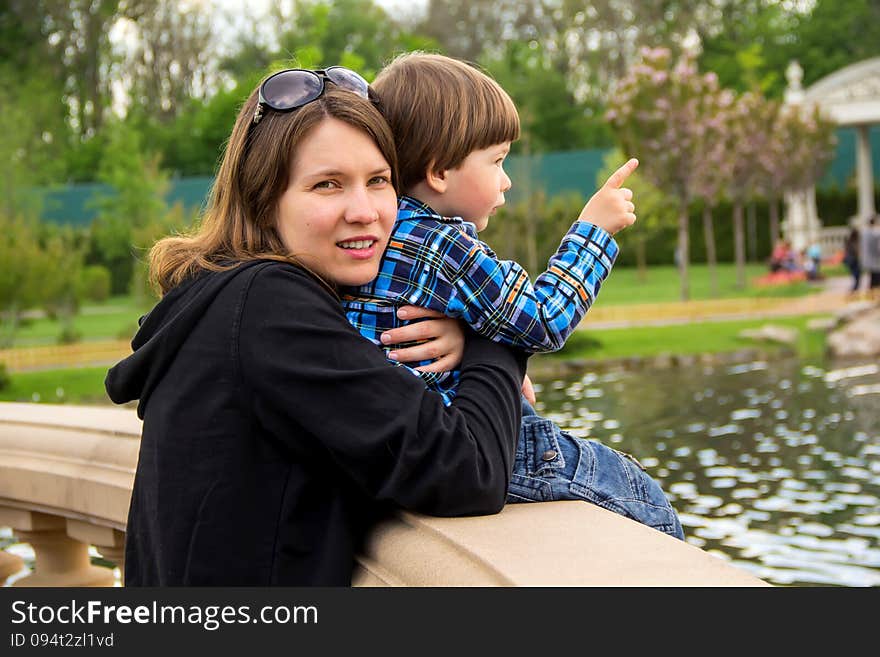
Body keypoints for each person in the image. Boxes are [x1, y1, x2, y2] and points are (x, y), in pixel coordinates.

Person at [104, 68, 529, 586]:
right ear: (264, 198)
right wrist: (495, 330)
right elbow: (469, 471)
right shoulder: (269, 308)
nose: (365, 211)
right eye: (327, 185)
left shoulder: (223, 299)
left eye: (379, 181)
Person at [341, 52, 684, 540]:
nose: (506, 179)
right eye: (497, 161)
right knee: (643, 498)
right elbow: (543, 320)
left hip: (401, 442)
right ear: (439, 172)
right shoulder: (443, 246)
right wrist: (593, 232)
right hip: (475, 436)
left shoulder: (380, 231)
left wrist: (470, 341)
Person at [863, 216, 880, 295]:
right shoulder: (874, 232)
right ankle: (874, 295)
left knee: (873, 278)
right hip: (874, 260)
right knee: (875, 278)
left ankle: (872, 294)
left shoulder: (865, 232)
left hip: (868, 260)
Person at [843, 228, 861, 293]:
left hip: (851, 262)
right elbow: (855, 252)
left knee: (856, 278)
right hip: (853, 261)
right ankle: (854, 291)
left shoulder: (850, 241)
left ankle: (854, 290)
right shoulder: (853, 242)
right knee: (857, 277)